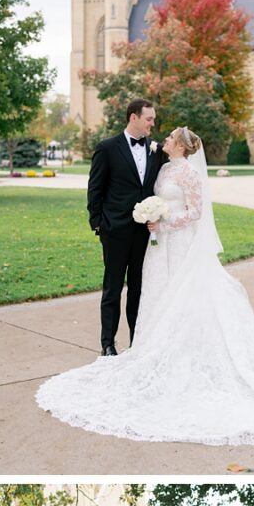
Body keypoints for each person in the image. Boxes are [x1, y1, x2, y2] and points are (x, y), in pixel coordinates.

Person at [38, 125, 254, 446]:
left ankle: (187, 354)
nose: (163, 140)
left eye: (170, 138)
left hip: (178, 241)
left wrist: (165, 222)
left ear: (182, 147)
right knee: (158, 294)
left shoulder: (189, 174)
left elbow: (196, 212)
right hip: (160, 244)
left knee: (183, 297)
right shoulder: (165, 166)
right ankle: (148, 350)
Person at [86, 98, 166, 355]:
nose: (153, 123)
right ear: (134, 117)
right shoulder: (107, 148)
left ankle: (136, 342)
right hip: (115, 230)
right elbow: (95, 188)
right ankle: (108, 344)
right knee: (112, 288)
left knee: (139, 289)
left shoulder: (158, 151)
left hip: (146, 232)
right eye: (149, 118)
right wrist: (98, 223)